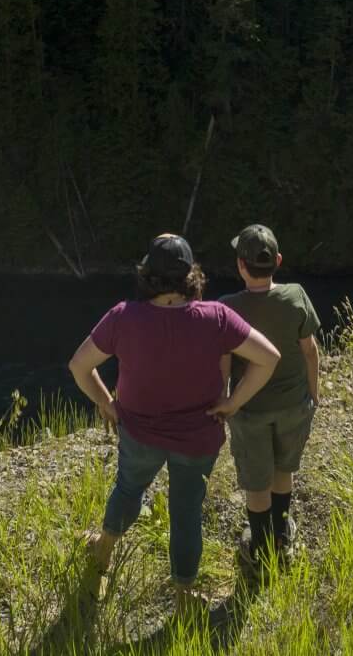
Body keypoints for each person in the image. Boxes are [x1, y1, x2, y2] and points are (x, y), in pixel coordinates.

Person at [67, 232, 282, 607]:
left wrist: (107, 403)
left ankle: (102, 552)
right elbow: (270, 358)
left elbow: (79, 366)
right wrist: (232, 403)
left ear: (148, 274)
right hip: (197, 439)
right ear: (190, 276)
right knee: (186, 512)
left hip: (138, 433)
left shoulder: (123, 317)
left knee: (128, 490)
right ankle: (184, 596)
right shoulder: (216, 317)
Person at [221, 224, 321, 565]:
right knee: (283, 468)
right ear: (277, 260)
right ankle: (282, 536)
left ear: (240, 266)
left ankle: (261, 551)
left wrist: (224, 402)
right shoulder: (296, 295)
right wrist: (314, 393)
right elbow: (310, 351)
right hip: (295, 404)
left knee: (256, 483)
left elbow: (222, 365)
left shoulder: (227, 308)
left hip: (250, 410)